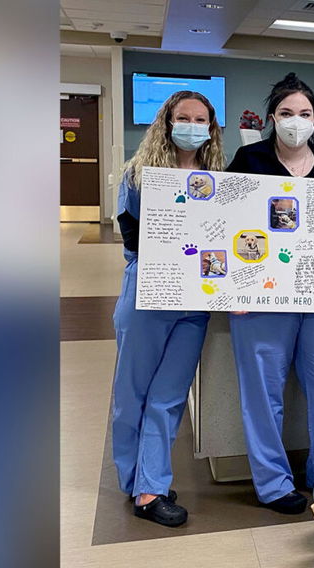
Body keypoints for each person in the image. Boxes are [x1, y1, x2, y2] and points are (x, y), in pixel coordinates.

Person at [226, 73, 314, 514]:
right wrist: (231, 289)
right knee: (262, 389)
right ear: (271, 119)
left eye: (303, 114)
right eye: (285, 114)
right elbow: (225, 223)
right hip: (261, 298)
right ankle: (273, 482)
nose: (294, 121)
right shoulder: (248, 159)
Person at [111, 90, 224, 526]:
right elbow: (133, 239)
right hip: (147, 295)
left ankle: (150, 483)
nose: (192, 126)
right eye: (184, 118)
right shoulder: (140, 176)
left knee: (169, 396)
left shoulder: (217, 179)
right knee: (132, 393)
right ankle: (137, 481)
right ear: (167, 122)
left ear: (211, 127)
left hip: (193, 302)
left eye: (201, 119)